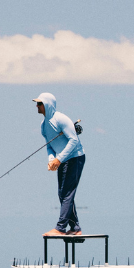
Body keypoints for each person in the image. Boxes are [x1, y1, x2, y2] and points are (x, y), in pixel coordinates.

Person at [34, 93, 86, 236]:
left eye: (39, 103)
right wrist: (52, 160)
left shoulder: (61, 119)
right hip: (62, 160)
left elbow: (73, 140)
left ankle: (60, 228)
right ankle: (75, 228)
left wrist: (59, 159)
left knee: (67, 193)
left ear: (47, 104)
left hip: (75, 157)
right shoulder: (43, 125)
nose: (37, 106)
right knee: (62, 193)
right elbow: (49, 146)